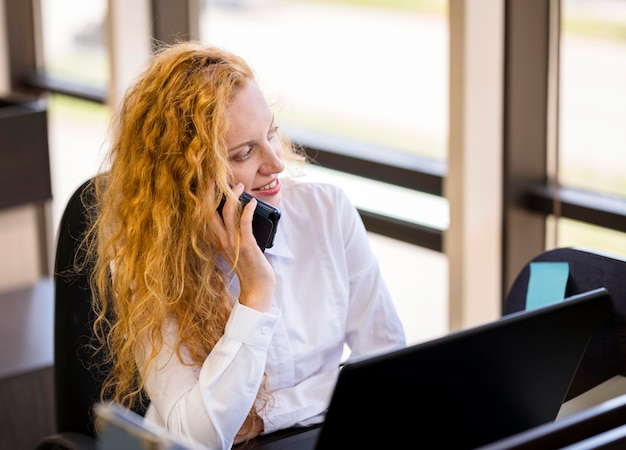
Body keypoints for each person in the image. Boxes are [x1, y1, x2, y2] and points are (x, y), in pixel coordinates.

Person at [85, 41, 406, 449]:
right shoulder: (149, 264)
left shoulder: (328, 212)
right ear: (186, 178)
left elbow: (387, 369)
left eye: (270, 132)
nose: (275, 163)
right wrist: (255, 291)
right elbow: (202, 437)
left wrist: (268, 414)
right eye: (243, 152)